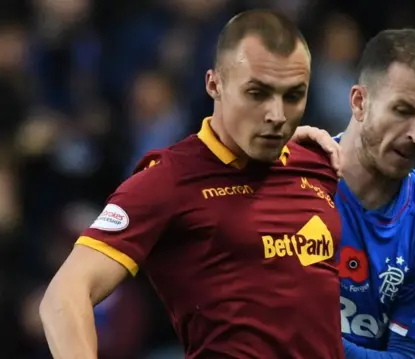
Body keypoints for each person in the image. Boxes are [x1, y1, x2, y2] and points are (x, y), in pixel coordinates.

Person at [39, 10, 345, 359]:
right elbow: (64, 295)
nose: (277, 115)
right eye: (257, 93)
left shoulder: (320, 163)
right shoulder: (168, 178)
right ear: (214, 84)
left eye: (293, 96)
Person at [292, 29, 415, 358]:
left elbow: (411, 357)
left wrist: (303, 337)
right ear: (360, 101)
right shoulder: (289, 178)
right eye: (403, 111)